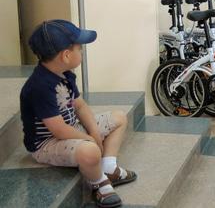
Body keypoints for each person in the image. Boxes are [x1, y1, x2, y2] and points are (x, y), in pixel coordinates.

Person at [20, 20, 137, 208]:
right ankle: (99, 183)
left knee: (119, 117)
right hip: (48, 144)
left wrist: (93, 131)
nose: (82, 52)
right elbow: (58, 130)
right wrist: (90, 140)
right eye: (79, 48)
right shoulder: (39, 86)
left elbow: (80, 107)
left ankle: (108, 167)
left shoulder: (66, 74)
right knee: (90, 152)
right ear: (66, 55)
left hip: (71, 130)